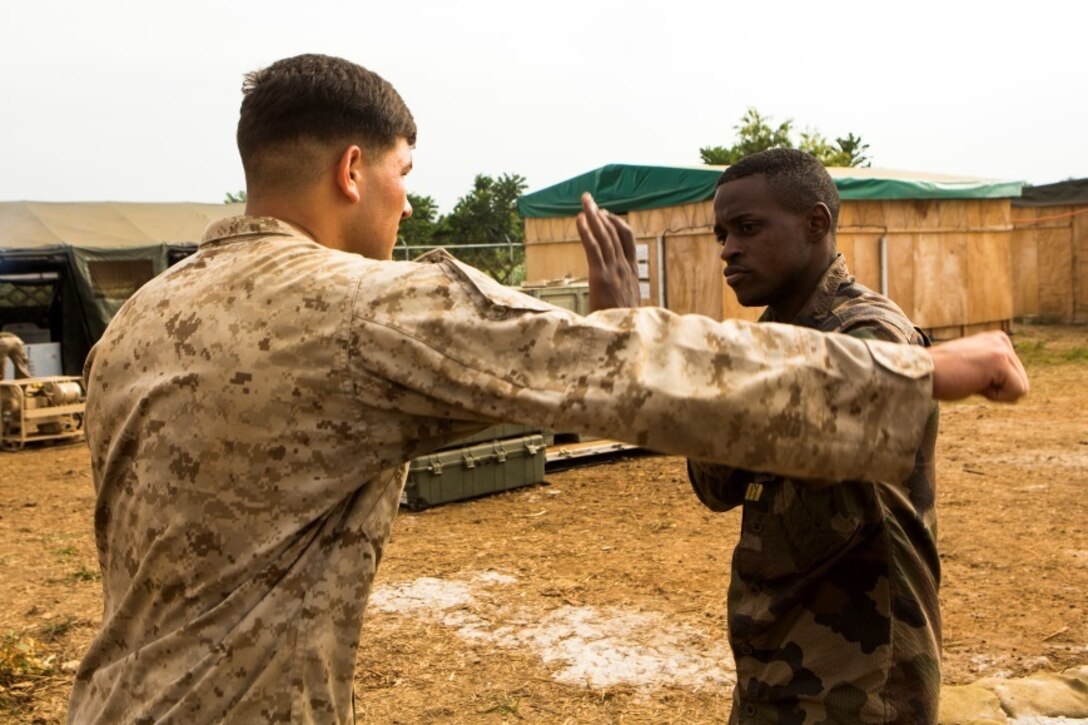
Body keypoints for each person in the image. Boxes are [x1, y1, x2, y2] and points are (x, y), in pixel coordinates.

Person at [68, 54, 1027, 724]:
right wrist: (921, 368)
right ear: (353, 170)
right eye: (406, 174)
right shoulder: (362, 309)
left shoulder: (138, 323)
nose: (408, 201)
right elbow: (618, 367)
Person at [687, 148, 944, 723]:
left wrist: (680, 369)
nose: (728, 250)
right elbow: (715, 484)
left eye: (747, 229)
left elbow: (835, 421)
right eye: (721, 234)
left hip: (862, 686)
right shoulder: (771, 335)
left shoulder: (871, 329)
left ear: (816, 224)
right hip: (773, 669)